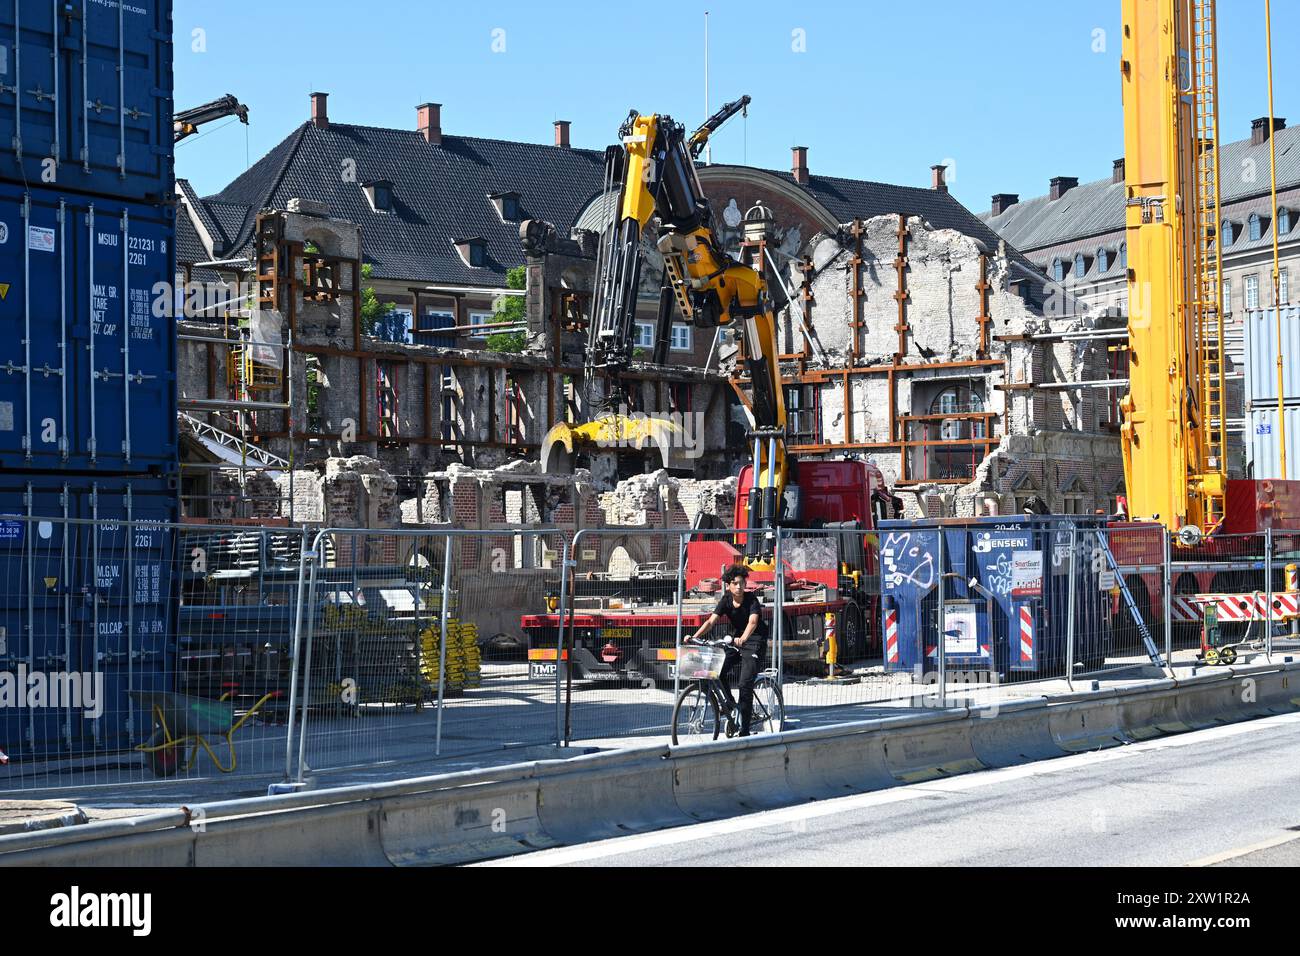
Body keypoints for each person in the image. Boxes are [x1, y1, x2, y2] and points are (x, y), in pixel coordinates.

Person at [688, 563, 768, 736]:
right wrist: (694, 637)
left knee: (744, 684)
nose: (739, 586)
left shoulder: (751, 600)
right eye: (735, 583)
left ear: (745, 584)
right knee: (717, 671)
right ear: (729, 585)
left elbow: (753, 622)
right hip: (734, 641)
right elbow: (711, 621)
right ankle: (730, 702)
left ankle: (745, 730)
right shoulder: (726, 600)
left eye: (741, 583)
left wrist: (744, 638)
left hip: (754, 641)